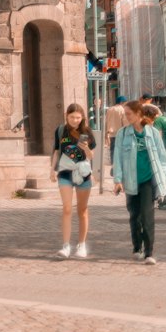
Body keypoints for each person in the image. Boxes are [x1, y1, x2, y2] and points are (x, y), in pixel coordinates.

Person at [112, 100, 166, 263]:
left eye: (128, 114)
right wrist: (118, 180)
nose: (126, 117)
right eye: (125, 114)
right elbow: (118, 159)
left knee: (147, 216)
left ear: (138, 114)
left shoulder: (152, 134)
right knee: (134, 216)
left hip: (147, 181)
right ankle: (137, 247)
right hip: (130, 181)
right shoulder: (123, 133)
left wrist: (161, 178)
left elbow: (163, 160)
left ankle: (149, 253)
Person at [49, 102, 96, 258]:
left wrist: (86, 149)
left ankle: (81, 245)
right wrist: (52, 169)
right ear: (66, 116)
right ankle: (65, 246)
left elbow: (92, 156)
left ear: (82, 117)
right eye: (72, 117)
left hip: (83, 173)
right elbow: (56, 151)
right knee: (67, 208)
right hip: (65, 172)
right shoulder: (61, 131)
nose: (75, 120)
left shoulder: (87, 132)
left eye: (77, 117)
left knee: (82, 210)